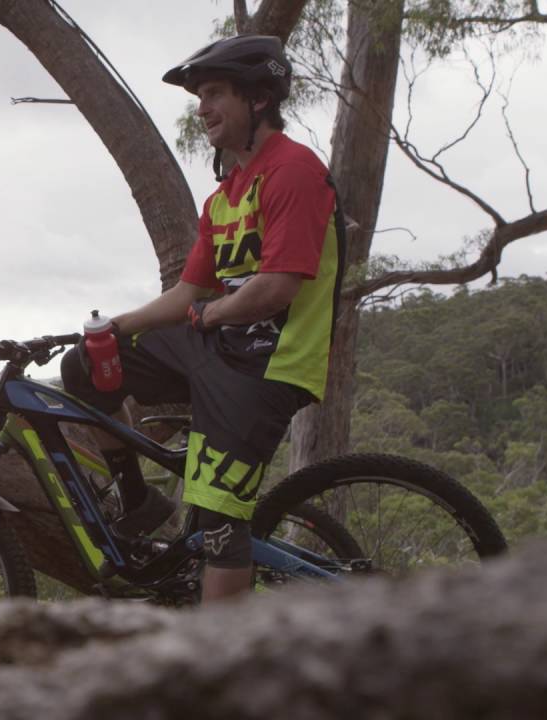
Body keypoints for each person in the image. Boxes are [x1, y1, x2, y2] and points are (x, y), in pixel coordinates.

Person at [60, 36, 345, 602]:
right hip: (217, 344)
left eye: (215, 93)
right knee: (89, 366)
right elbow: (189, 289)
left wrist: (210, 314)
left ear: (259, 99)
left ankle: (218, 668)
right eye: (200, 97)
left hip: (268, 366)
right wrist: (120, 326)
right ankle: (138, 499)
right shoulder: (224, 196)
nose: (203, 107)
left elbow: (276, 287)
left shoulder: (293, 171)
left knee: (219, 523)